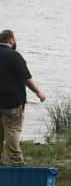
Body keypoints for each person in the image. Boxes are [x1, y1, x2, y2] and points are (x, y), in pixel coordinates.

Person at [0, 29, 46, 167]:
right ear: (11, 40)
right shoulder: (14, 56)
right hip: (12, 100)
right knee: (12, 129)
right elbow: (26, 78)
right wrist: (38, 92)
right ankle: (15, 160)